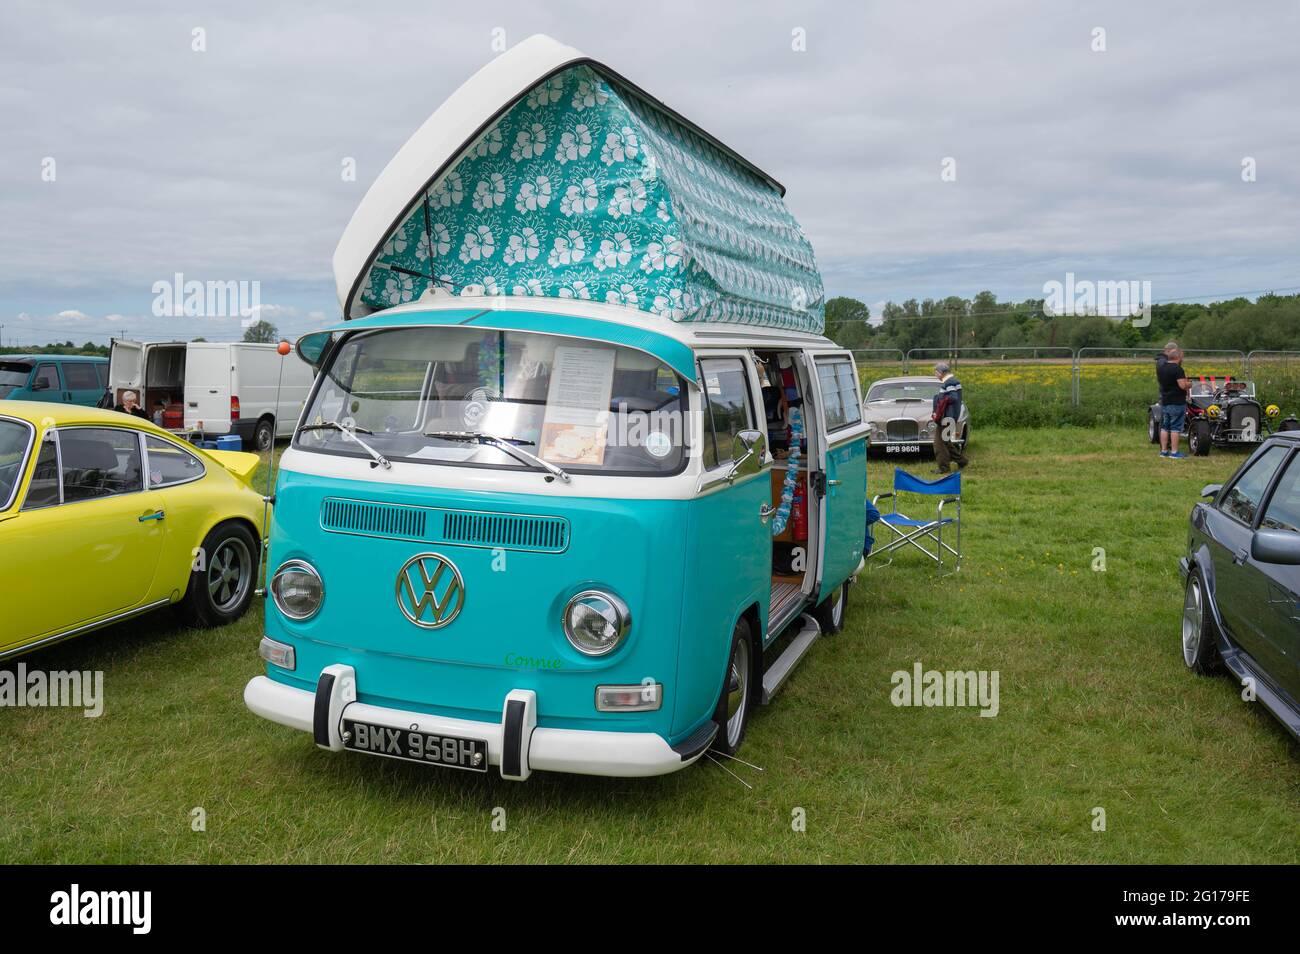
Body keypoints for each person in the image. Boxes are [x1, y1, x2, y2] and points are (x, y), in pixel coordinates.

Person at [930, 361, 969, 474]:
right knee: (946, 441)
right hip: (951, 417)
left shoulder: (949, 383)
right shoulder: (954, 381)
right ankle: (962, 461)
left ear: (941, 372)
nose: (935, 375)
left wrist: (940, 402)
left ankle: (944, 467)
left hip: (946, 418)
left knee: (938, 443)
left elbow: (953, 397)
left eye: (936, 372)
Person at [1155, 342, 1191, 459]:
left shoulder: (1162, 367)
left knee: (1165, 427)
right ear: (1178, 358)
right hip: (1177, 401)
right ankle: (1175, 453)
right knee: (1176, 428)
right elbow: (1182, 385)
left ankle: (1164, 451)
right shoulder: (1177, 369)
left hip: (1165, 400)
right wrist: (1189, 384)